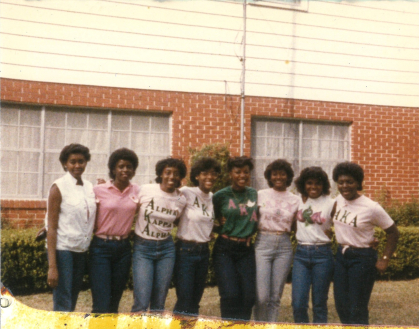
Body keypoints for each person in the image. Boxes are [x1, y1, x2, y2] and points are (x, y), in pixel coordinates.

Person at [332, 161, 399, 325]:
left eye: (350, 182)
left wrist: (384, 258)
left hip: (362, 259)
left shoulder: (371, 207)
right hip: (341, 257)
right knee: (341, 306)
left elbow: (393, 232)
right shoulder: (338, 200)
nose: (345, 186)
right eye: (341, 182)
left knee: (357, 307)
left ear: (358, 183)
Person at [131, 157, 187, 313]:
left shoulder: (181, 199)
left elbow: (176, 220)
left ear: (180, 177)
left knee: (159, 302)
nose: (171, 176)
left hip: (166, 249)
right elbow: (130, 210)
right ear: (160, 174)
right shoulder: (146, 189)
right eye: (167, 172)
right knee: (141, 301)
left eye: (176, 173)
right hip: (143, 248)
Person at [45, 143, 96, 311]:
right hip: (63, 250)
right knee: (63, 300)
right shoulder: (58, 187)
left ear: (86, 162)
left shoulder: (89, 187)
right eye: (72, 161)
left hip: (81, 250)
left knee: (72, 298)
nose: (77, 165)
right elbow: (51, 227)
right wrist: (53, 266)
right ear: (65, 164)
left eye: (81, 161)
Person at [89, 148, 140, 313]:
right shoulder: (98, 190)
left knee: (114, 301)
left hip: (124, 249)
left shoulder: (137, 191)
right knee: (101, 302)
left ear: (134, 170)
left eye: (129, 166)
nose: (125, 170)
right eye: (121, 166)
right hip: (101, 248)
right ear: (113, 169)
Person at [173, 157, 221, 316]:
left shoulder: (213, 198)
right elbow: (171, 210)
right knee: (184, 299)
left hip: (203, 252)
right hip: (185, 251)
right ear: (197, 176)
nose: (210, 177)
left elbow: (207, 221)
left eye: (213, 174)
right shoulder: (187, 192)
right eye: (205, 173)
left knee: (195, 300)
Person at [212, 156, 258, 321]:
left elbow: (256, 216)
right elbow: (207, 217)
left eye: (246, 172)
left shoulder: (253, 194)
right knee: (230, 295)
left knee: (249, 297)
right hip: (225, 248)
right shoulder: (220, 196)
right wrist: (218, 226)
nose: (242, 176)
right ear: (230, 173)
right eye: (237, 172)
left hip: (246, 249)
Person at [254, 159, 300, 322]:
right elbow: (251, 218)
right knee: (261, 296)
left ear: (288, 176)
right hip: (263, 243)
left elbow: (298, 225)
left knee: (275, 297)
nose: (279, 177)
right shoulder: (260, 194)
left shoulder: (295, 199)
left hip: (284, 246)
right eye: (275, 174)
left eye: (282, 173)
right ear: (270, 176)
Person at [292, 167, 335, 324]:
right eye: (309, 183)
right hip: (301, 254)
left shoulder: (331, 203)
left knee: (319, 304)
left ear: (323, 185)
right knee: (298, 304)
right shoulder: (298, 200)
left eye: (318, 183)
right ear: (303, 185)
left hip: (322, 255)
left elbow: (346, 223)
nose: (313, 187)